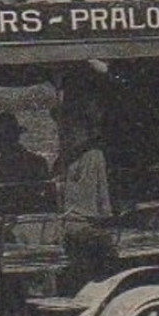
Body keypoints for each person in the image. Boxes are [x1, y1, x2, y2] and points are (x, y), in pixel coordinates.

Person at [55, 100, 116, 284]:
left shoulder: (93, 155)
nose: (67, 134)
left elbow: (101, 193)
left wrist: (106, 218)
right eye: (65, 129)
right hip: (66, 219)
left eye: (72, 129)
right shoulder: (64, 159)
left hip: (82, 220)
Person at [0, 112, 51, 184]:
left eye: (7, 137)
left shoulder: (36, 162)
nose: (1, 141)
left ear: (16, 137)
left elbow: (47, 191)